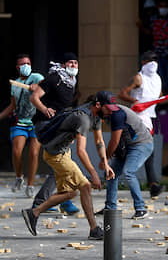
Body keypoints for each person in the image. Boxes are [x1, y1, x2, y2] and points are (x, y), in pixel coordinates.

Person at [21, 98, 115, 240]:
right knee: (85, 186)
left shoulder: (95, 117)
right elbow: (81, 151)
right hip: (57, 156)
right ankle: (94, 229)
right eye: (108, 109)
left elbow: (99, 141)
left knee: (70, 193)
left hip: (62, 153)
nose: (110, 113)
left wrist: (106, 164)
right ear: (98, 105)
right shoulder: (83, 118)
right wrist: (94, 174)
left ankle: (33, 213)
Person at [29, 52, 82, 214]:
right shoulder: (54, 78)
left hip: (58, 126)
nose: (73, 65)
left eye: (75, 63)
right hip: (46, 125)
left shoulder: (71, 82)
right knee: (60, 162)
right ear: (64, 65)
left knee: (62, 161)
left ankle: (61, 199)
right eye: (70, 63)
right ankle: (45, 201)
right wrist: (45, 109)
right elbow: (34, 97)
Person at [94, 91, 154, 220]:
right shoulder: (111, 112)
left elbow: (114, 141)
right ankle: (110, 207)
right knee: (111, 173)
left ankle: (141, 208)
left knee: (128, 172)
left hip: (142, 144)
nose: (107, 112)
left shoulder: (117, 114)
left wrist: (105, 159)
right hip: (127, 146)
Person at [118, 51, 168, 198]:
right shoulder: (138, 78)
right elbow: (122, 93)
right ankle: (150, 184)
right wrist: (134, 101)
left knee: (145, 151)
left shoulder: (157, 79)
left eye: (155, 60)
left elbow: (157, 97)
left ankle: (152, 185)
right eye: (150, 60)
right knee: (143, 149)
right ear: (143, 62)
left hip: (149, 119)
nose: (153, 63)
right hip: (137, 118)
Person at [0, 54, 44, 197]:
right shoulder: (15, 84)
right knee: (16, 151)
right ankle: (19, 177)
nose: (26, 65)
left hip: (36, 121)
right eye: (23, 64)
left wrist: (36, 87)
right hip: (20, 121)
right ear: (18, 67)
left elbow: (45, 86)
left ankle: (30, 185)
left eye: (28, 63)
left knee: (33, 153)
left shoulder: (36, 77)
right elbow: (12, 106)